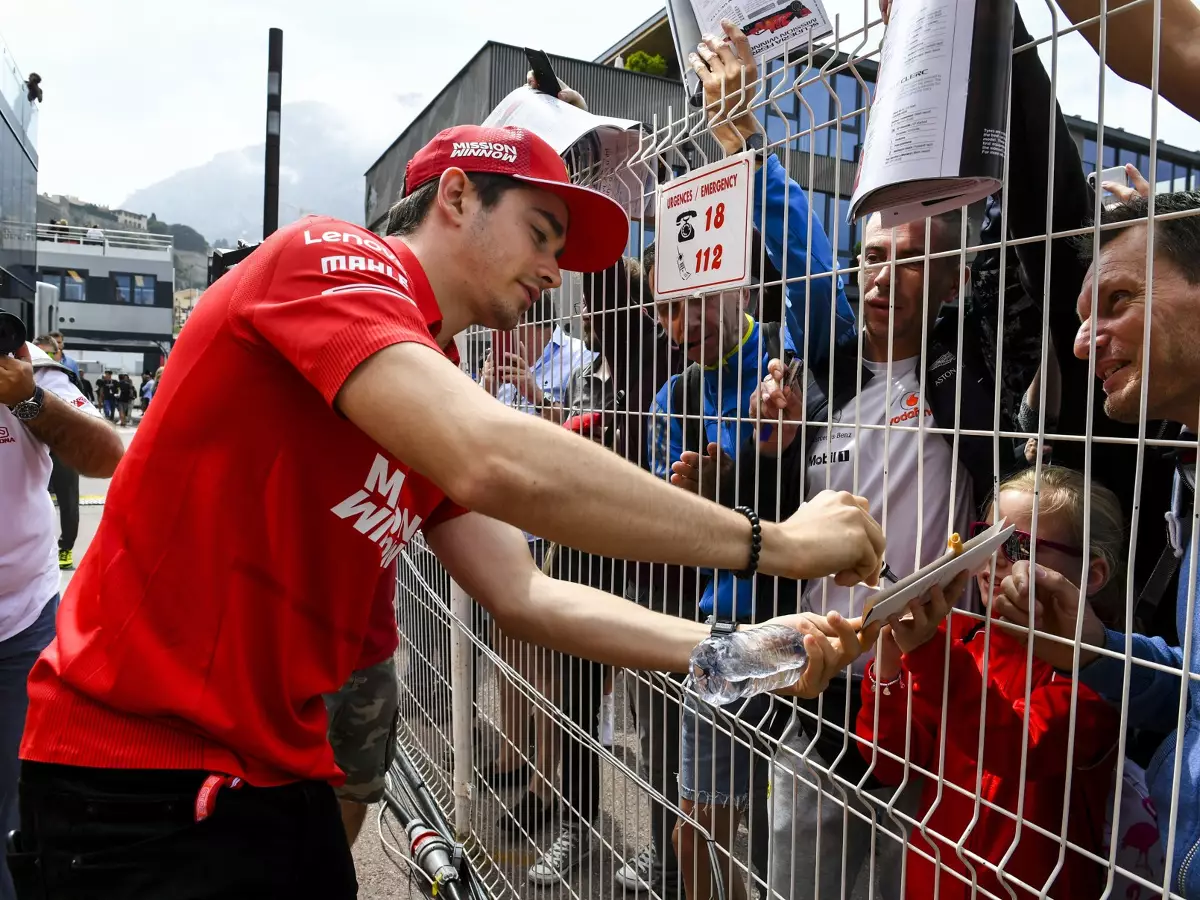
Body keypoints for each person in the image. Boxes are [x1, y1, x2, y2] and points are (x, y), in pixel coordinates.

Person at [11, 123, 887, 899]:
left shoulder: (430, 380)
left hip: (273, 777)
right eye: (541, 234)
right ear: (458, 196)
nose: (553, 270)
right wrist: (779, 546)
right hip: (140, 774)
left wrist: (734, 651)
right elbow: (494, 456)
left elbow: (527, 595)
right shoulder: (329, 260)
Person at [993, 190, 1200, 899]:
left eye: (1117, 302)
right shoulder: (1189, 473)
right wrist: (1094, 649)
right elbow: (1194, 691)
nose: (1084, 342)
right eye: (1085, 320)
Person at [858, 466, 1125, 899]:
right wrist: (887, 666)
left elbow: (1016, 749)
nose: (994, 558)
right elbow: (889, 764)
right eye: (986, 537)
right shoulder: (962, 641)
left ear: (1092, 575)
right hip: (936, 879)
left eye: (1018, 544)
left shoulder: (1095, 672)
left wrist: (928, 655)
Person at [0, 340, 122, 900]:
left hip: (19, 624)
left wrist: (26, 400)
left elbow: (105, 454)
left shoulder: (27, 370)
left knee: (17, 795)